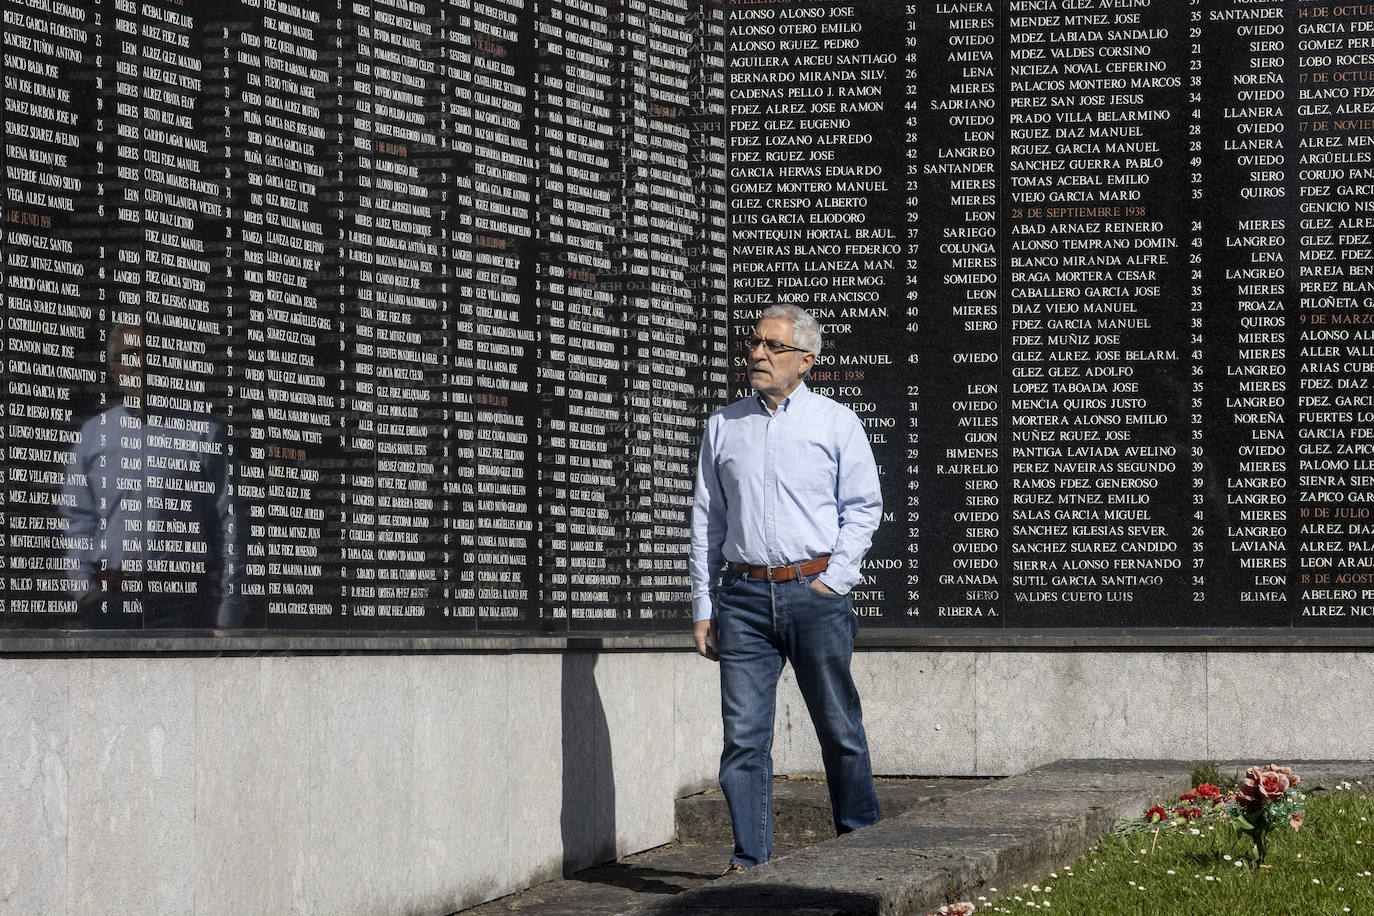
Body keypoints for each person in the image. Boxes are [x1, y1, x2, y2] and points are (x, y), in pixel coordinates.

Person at [688, 304, 883, 872]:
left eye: (772, 346)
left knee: (839, 728)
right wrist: (705, 605)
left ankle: (862, 849)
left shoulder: (836, 422)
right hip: (743, 600)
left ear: (806, 360)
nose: (757, 354)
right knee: (743, 740)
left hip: (813, 594)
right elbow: (708, 519)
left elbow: (864, 508)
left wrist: (834, 581)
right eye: (754, 343)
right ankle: (750, 861)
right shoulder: (724, 425)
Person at [63, 323, 245, 628]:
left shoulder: (206, 432)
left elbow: (229, 523)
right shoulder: (93, 435)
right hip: (110, 598)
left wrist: (231, 606)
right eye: (129, 354)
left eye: (149, 353)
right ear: (112, 369)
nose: (141, 364)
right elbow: (78, 518)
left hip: (183, 603)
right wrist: (84, 590)